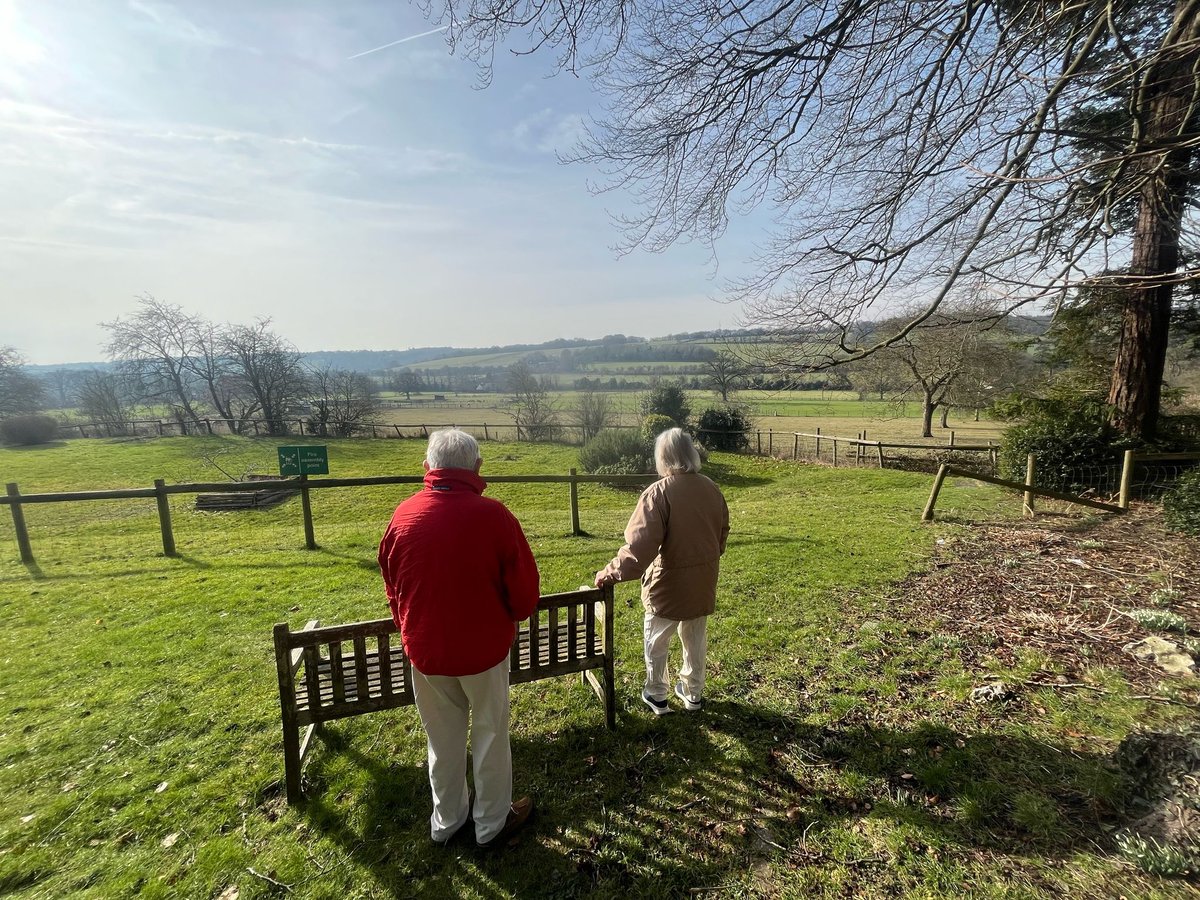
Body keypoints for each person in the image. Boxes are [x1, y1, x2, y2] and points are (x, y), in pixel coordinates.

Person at [378, 428, 540, 848]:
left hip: (427, 653)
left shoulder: (402, 517)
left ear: (427, 468)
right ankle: (490, 824)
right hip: (484, 653)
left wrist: (410, 628)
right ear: (478, 468)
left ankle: (447, 822)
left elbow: (392, 586)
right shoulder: (495, 517)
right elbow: (524, 598)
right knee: (490, 734)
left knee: (442, 739)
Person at [594, 427, 730, 714]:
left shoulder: (658, 493)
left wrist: (610, 572)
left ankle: (657, 693)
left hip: (667, 584)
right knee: (695, 637)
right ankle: (693, 692)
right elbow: (722, 534)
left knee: (656, 638)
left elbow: (638, 550)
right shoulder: (711, 487)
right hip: (703, 580)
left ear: (663, 457)